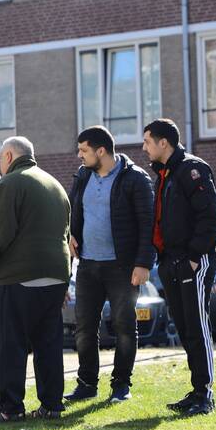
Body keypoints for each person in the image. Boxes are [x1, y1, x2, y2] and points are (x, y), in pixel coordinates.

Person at [0, 136, 71, 423]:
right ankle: (52, 404)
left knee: (10, 344)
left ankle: (10, 407)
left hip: (19, 274)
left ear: (8, 156)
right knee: (49, 343)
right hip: (56, 275)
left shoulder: (10, 184)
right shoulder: (54, 184)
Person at [64, 126, 155, 404]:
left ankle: (121, 385)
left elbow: (148, 225)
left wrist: (142, 264)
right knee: (84, 328)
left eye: (84, 150)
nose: (79, 155)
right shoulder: (82, 176)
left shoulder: (135, 179)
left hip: (122, 267)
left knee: (124, 326)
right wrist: (71, 235)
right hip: (89, 265)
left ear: (100, 151)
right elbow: (73, 209)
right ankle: (87, 384)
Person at [143, 118, 216, 417]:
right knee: (186, 327)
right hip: (170, 262)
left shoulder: (191, 169)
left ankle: (206, 394)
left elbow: (210, 218)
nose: (144, 147)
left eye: (148, 141)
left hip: (192, 261)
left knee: (197, 326)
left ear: (164, 143)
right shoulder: (165, 174)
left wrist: (193, 256)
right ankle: (196, 390)